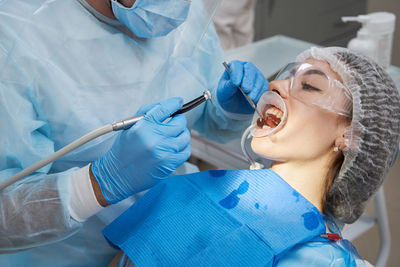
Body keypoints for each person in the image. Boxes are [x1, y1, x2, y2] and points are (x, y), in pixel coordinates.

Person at [0, 0, 268, 266]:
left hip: (165, 236)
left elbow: (205, 112)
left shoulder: (182, 10)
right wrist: (98, 184)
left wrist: (228, 109)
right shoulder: (13, 34)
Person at [102, 46, 400, 266]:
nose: (276, 85)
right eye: (286, 77)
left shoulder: (323, 259)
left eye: (309, 86)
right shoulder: (185, 190)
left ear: (351, 135)